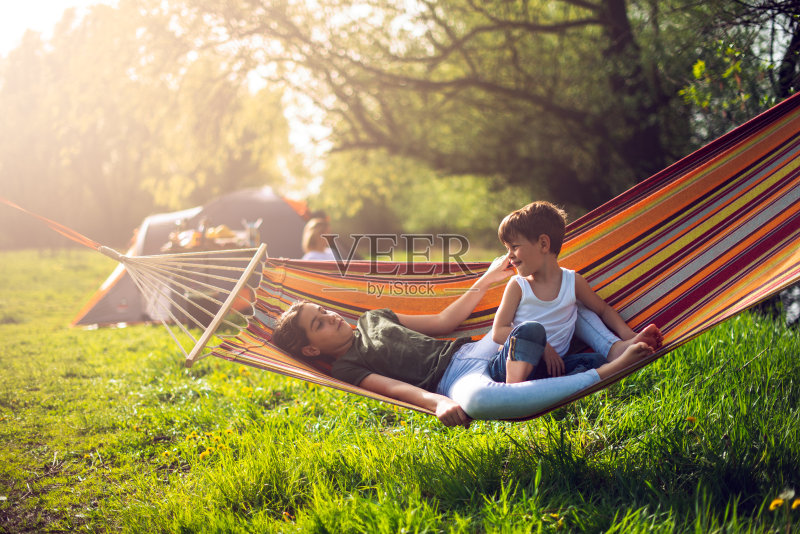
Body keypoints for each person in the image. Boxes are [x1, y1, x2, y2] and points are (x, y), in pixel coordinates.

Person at [271, 256, 655, 427]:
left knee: (548, 300)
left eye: (324, 310)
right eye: (319, 324)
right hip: (451, 381)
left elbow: (444, 321)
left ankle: (611, 348)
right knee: (480, 401)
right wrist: (440, 403)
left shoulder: (374, 318)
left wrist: (488, 278)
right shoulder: (346, 366)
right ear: (310, 349)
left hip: (473, 350)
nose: (331, 316)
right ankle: (603, 373)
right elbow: (394, 388)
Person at [491, 201, 663, 383]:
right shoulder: (518, 285)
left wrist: (629, 336)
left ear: (543, 244)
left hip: (551, 369)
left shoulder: (573, 282)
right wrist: (543, 347)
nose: (509, 255)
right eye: (507, 248)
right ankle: (514, 391)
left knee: (596, 361)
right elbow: (498, 331)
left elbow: (603, 310)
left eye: (514, 247)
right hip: (511, 366)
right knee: (531, 330)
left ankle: (554, 387)